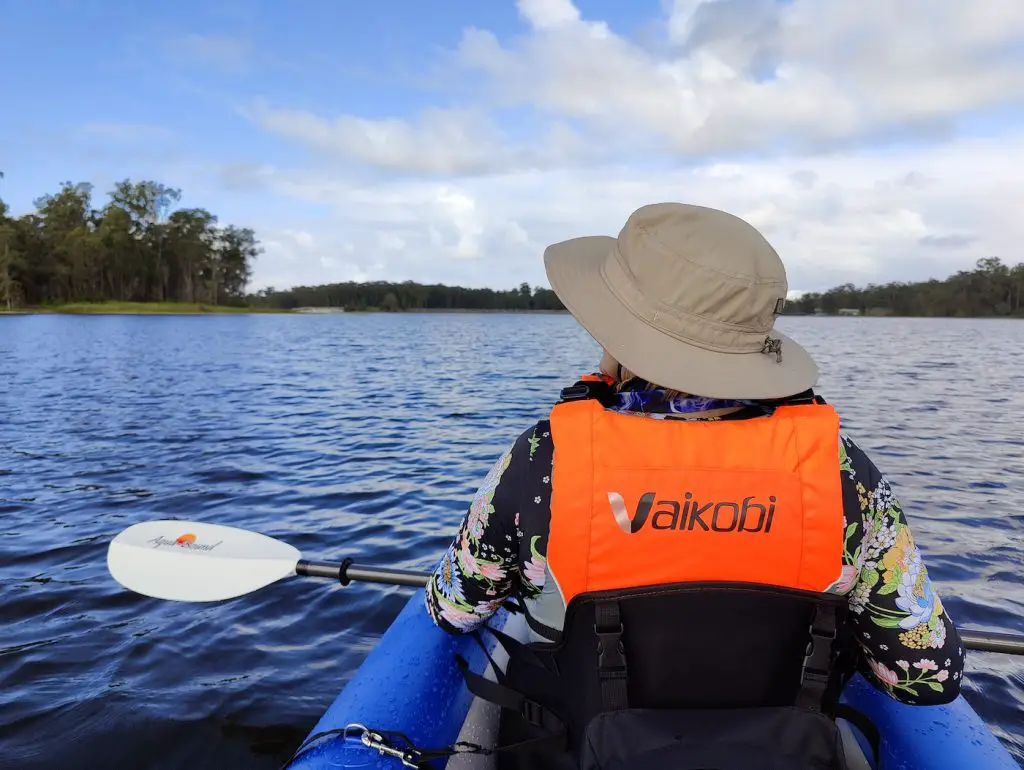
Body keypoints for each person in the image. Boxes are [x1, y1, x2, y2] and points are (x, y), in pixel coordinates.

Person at [424, 202, 965, 769]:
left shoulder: (542, 461)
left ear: (620, 339)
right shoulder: (842, 474)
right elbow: (926, 678)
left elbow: (453, 609)